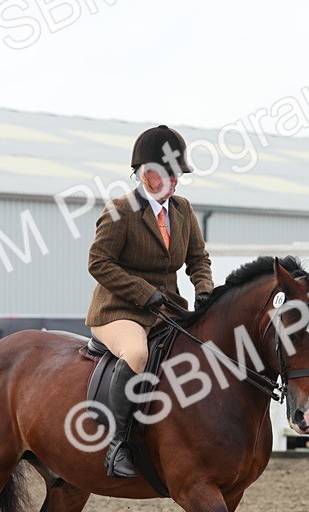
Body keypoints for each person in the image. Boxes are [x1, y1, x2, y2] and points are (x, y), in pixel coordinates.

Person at [86, 125, 214, 478]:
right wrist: (143, 293)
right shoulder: (120, 211)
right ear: (147, 174)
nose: (177, 181)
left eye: (179, 175)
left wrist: (204, 289)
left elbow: (199, 258)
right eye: (171, 174)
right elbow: (98, 262)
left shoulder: (183, 211)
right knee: (138, 354)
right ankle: (116, 445)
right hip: (118, 310)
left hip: (167, 308)